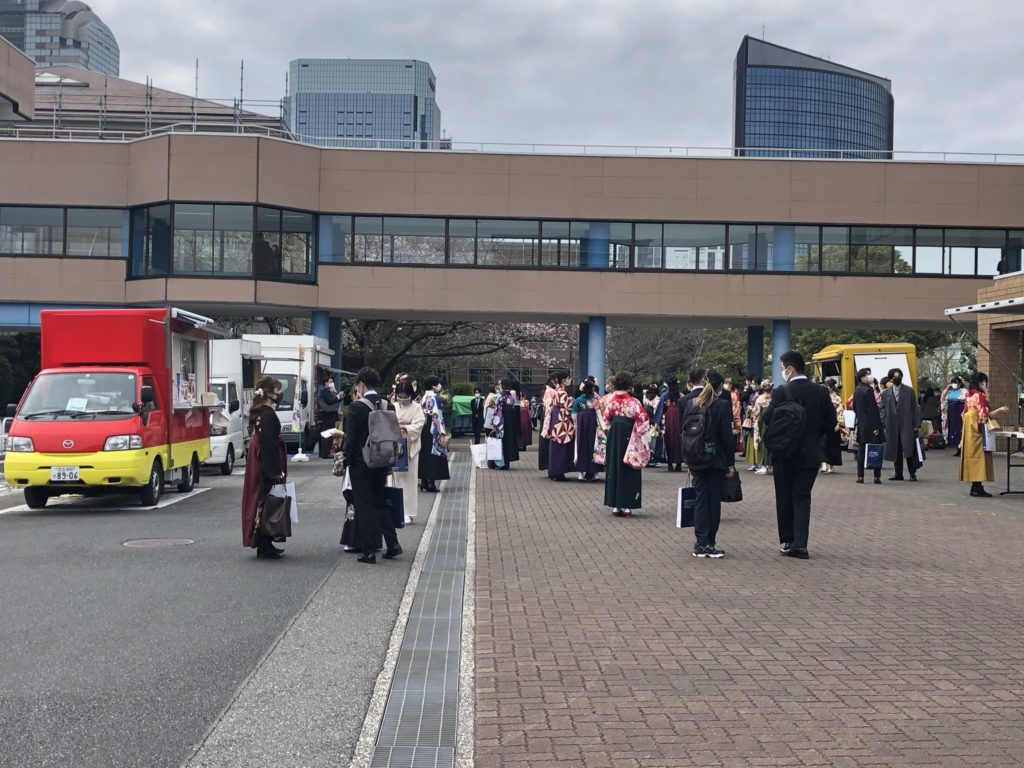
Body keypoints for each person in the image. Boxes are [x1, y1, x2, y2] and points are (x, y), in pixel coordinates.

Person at [763, 351, 836, 560]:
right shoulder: (821, 392)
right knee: (802, 497)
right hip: (810, 453)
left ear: (789, 369)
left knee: (784, 495)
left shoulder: (781, 392)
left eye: (781, 367)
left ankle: (788, 541)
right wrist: (813, 434)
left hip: (785, 452)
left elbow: (768, 418)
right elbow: (831, 422)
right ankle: (801, 544)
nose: (781, 371)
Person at [343, 367, 401, 564]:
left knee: (365, 505)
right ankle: (393, 544)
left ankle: (368, 551)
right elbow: (394, 433)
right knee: (381, 501)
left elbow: (350, 440)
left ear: (360, 384)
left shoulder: (356, 407)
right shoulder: (388, 405)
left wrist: (346, 462)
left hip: (362, 462)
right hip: (383, 460)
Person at [682, 370, 735, 558]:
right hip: (716, 459)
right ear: (720, 386)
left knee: (700, 499)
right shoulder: (722, 405)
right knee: (713, 501)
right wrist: (730, 463)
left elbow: (686, 432)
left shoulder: (691, 404)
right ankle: (709, 543)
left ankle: (700, 542)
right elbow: (727, 437)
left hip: (695, 457)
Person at [241, 376, 288, 559]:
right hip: (265, 463)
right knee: (266, 501)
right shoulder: (267, 415)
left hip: (259, 461)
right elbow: (268, 445)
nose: (280, 394)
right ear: (269, 393)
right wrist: (274, 471)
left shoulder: (262, 413)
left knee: (262, 501)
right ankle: (263, 542)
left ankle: (264, 541)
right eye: (277, 390)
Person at [597, 371, 650, 517]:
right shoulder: (634, 402)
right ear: (629, 385)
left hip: (614, 435)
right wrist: (641, 436)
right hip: (629, 433)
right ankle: (627, 505)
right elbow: (643, 420)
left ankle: (615, 505)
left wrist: (609, 431)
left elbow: (605, 420)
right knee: (629, 467)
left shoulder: (611, 401)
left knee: (614, 467)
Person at [959, 371, 1009, 497]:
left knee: (971, 457)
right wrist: (1000, 410)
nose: (986, 384)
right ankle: (977, 487)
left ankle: (974, 486)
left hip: (968, 428)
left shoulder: (968, 395)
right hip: (978, 429)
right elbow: (984, 415)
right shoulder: (980, 396)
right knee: (980, 458)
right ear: (981, 382)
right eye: (985, 381)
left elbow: (963, 413)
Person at [881, 367, 922, 482]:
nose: (897, 378)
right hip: (892, 425)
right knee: (896, 449)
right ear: (890, 379)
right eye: (894, 376)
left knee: (909, 449)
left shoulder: (909, 391)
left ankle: (912, 473)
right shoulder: (886, 393)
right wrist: (884, 421)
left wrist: (916, 424)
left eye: (899, 376)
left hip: (907, 424)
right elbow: (882, 408)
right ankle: (898, 473)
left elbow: (915, 408)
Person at [393, 381, 426, 524]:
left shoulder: (417, 408)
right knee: (394, 480)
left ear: (411, 395)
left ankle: (408, 511)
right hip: (394, 447)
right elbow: (387, 422)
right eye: (399, 396)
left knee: (409, 479)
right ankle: (395, 510)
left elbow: (419, 424)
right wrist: (401, 427)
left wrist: (404, 428)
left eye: (405, 396)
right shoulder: (392, 407)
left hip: (410, 448)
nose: (402, 398)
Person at [417, 375, 450, 492]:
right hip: (433, 427)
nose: (440, 385)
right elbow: (437, 416)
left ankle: (424, 481)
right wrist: (442, 432)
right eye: (438, 383)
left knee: (425, 453)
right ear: (433, 386)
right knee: (434, 454)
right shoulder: (436, 399)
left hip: (424, 427)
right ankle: (431, 482)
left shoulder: (423, 398)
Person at [852, 368, 884, 485]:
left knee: (861, 450)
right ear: (862, 377)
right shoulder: (869, 390)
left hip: (862, 424)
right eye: (867, 375)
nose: (869, 377)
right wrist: (876, 425)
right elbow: (872, 409)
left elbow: (854, 407)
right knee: (875, 449)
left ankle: (860, 476)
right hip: (871, 424)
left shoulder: (857, 391)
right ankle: (876, 476)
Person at [545, 370, 576, 481]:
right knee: (560, 446)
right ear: (564, 380)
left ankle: (553, 471)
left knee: (555, 446)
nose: (570, 380)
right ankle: (558, 472)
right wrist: (572, 402)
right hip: (561, 420)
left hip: (556, 417)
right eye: (569, 378)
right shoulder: (562, 392)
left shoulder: (557, 390)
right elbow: (567, 408)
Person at [572, 378, 600, 481]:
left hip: (581, 425)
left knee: (580, 446)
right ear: (592, 389)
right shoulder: (596, 400)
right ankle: (595, 472)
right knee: (594, 446)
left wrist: (575, 424)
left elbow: (574, 414)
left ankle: (580, 473)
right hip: (594, 426)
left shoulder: (578, 400)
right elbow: (599, 414)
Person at [746, 380, 773, 474]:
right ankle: (770, 465)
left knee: (762, 442)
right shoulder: (774, 398)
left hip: (762, 423)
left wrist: (750, 410)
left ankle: (764, 466)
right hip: (773, 423)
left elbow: (756, 412)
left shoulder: (760, 399)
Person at [820, 379, 846, 474]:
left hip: (834, 423)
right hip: (823, 423)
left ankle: (831, 465)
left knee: (833, 445)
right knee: (822, 444)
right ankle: (823, 463)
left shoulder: (837, 398)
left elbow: (840, 412)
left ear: (831, 387)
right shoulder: (821, 397)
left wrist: (839, 425)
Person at [661, 377, 684, 472]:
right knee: (679, 439)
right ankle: (679, 464)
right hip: (679, 416)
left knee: (669, 438)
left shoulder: (665, 395)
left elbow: (660, 408)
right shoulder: (681, 395)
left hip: (668, 416)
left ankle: (669, 464)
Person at [316, 375, 342, 459]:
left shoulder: (330, 391)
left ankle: (323, 452)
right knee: (328, 433)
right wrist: (338, 396)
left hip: (330, 414)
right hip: (327, 415)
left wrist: (339, 397)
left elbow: (335, 400)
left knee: (326, 433)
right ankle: (325, 453)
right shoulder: (324, 391)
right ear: (326, 383)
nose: (332, 383)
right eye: (330, 382)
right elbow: (330, 401)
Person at [538, 374, 557, 472]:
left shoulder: (548, 390)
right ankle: (549, 464)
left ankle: (547, 464)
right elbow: (550, 406)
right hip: (549, 417)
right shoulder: (550, 391)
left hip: (547, 416)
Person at [943, 376, 966, 456]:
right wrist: (947, 388)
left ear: (960, 383)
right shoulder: (950, 391)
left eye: (956, 383)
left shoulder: (963, 391)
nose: (954, 384)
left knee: (960, 430)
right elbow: (943, 397)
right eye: (953, 383)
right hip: (951, 412)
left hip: (959, 411)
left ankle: (962, 448)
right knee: (953, 430)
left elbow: (966, 398)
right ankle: (957, 448)